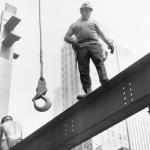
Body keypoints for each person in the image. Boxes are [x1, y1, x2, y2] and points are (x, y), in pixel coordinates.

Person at [64, 2, 114, 100]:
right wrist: (72, 40)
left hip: (94, 44)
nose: (87, 12)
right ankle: (88, 91)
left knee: (98, 61)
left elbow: (102, 34)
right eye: (85, 10)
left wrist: (109, 43)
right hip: (81, 47)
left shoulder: (94, 22)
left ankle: (104, 80)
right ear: (81, 11)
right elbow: (66, 36)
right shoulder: (75, 25)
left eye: (89, 11)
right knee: (83, 70)